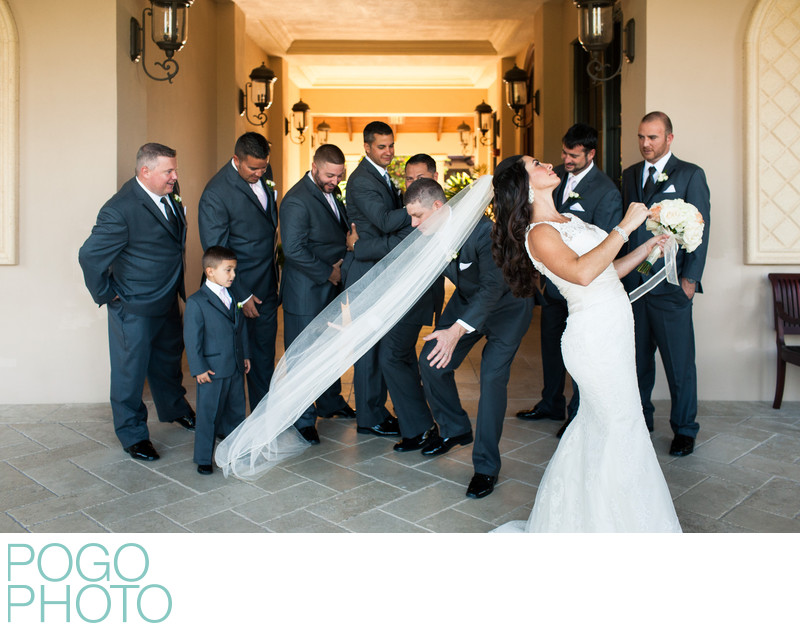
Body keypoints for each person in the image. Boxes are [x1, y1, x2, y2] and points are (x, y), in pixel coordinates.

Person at [490, 154, 681, 532]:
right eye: (535, 165)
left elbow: (605, 271)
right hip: (592, 339)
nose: (547, 165)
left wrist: (647, 249)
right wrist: (625, 228)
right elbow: (580, 273)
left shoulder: (569, 220)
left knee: (612, 425)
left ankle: (599, 518)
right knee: (618, 424)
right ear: (525, 185)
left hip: (615, 330)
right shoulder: (539, 233)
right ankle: (615, 525)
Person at [407, 179, 534, 499]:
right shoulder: (430, 232)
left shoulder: (484, 232)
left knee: (491, 380)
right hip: (467, 301)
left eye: (418, 216)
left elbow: (493, 288)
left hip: (507, 310)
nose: (414, 223)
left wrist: (457, 330)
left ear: (438, 207)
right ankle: (455, 429)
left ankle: (486, 467)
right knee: (431, 362)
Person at [78, 143, 195, 461]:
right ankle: (132, 435)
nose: (175, 176)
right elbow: (89, 256)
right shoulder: (120, 209)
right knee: (130, 373)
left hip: (167, 298)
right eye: (169, 171)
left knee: (168, 362)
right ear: (146, 171)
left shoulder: (172, 191)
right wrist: (107, 294)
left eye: (174, 169)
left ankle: (175, 409)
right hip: (133, 306)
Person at [517, 123, 623, 438]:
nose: (566, 160)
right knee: (552, 348)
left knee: (581, 355)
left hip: (585, 291)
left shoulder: (606, 191)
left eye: (574, 155)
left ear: (591, 153)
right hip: (554, 289)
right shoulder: (553, 182)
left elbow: (602, 246)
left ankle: (577, 414)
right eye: (565, 152)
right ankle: (550, 401)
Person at [344, 122, 441, 450]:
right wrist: (418, 206)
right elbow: (388, 225)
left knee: (388, 355)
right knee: (375, 352)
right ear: (367, 146)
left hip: (397, 282)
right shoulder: (363, 180)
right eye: (381, 146)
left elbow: (400, 236)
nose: (387, 152)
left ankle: (400, 419)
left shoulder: (402, 190)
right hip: (371, 274)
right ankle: (374, 416)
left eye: (390, 146)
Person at [621, 112, 711, 458]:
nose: (646, 144)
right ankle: (642, 421)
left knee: (679, 364)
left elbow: (701, 230)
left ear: (669, 139)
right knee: (637, 360)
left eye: (653, 138)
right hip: (636, 287)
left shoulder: (690, 174)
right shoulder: (630, 175)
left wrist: (690, 280)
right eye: (642, 137)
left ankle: (685, 429)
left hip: (672, 286)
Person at [279, 144, 356, 445]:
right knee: (302, 357)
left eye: (339, 176)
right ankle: (302, 418)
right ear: (314, 167)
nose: (334, 182)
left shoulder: (331, 192)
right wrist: (331, 272)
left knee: (329, 349)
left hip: (329, 290)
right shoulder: (297, 200)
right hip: (306, 292)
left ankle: (330, 402)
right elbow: (294, 249)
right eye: (329, 175)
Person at [198, 132, 279, 410]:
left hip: (267, 285)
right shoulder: (216, 193)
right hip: (237, 292)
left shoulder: (263, 177)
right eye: (252, 168)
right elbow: (217, 252)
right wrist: (242, 295)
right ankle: (229, 426)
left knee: (263, 358)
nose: (259, 172)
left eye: (263, 167)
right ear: (236, 160)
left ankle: (262, 418)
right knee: (232, 362)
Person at [183, 247, 250, 475]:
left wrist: (245, 355)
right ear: (210, 271)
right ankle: (203, 458)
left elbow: (241, 330)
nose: (233, 275)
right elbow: (192, 340)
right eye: (228, 270)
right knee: (208, 415)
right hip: (211, 370)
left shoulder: (233, 296)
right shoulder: (197, 302)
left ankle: (233, 452)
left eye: (234, 270)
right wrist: (198, 367)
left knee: (237, 412)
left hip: (234, 366)